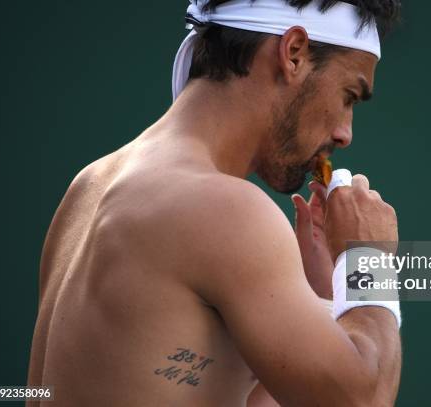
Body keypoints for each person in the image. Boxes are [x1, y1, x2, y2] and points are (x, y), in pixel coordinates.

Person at [27, 0, 403, 405]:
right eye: (349, 95)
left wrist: (323, 302)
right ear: (293, 53)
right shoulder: (224, 210)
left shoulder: (90, 185)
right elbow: (364, 399)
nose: (345, 133)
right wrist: (368, 258)